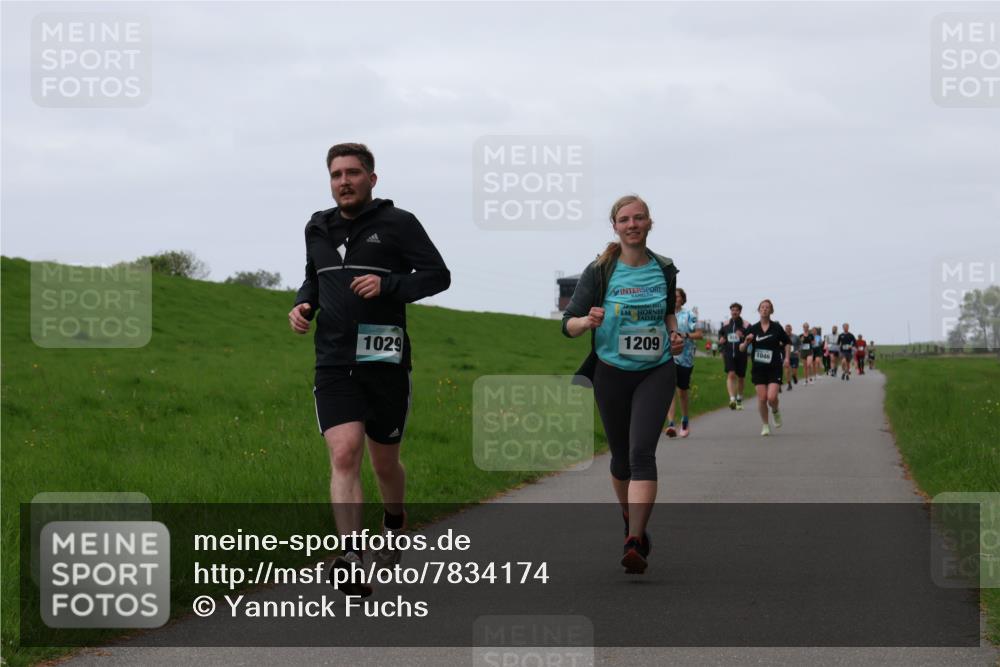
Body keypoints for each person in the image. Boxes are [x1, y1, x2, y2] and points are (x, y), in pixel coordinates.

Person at [289, 143, 450, 597]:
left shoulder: (398, 224)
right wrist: (304, 303)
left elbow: (438, 275)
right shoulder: (316, 227)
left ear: (371, 179)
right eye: (337, 174)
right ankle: (352, 555)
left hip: (384, 360)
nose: (345, 181)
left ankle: (395, 519)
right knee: (344, 452)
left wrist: (388, 284)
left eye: (354, 173)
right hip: (334, 359)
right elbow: (313, 275)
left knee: (385, 462)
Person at [562, 194, 683, 575]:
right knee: (620, 459)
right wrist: (587, 321)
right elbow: (568, 324)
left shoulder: (664, 269)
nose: (632, 224)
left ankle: (634, 540)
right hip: (611, 371)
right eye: (625, 219)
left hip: (656, 369)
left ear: (650, 224)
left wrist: (675, 336)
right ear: (615, 227)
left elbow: (667, 316)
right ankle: (632, 522)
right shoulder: (599, 271)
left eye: (639, 218)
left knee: (641, 453)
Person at [740, 299, 791, 437]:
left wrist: (786, 358)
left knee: (771, 397)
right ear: (759, 310)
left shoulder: (776, 328)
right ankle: (765, 425)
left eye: (767, 307)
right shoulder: (753, 328)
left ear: (771, 311)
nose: (764, 309)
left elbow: (787, 343)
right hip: (758, 368)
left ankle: (775, 410)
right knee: (762, 398)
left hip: (774, 367)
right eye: (762, 307)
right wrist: (746, 342)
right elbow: (742, 348)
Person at [665, 288, 703, 438]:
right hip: (667, 357)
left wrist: (685, 335)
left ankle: (685, 420)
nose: (675, 299)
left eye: (678, 296)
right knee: (669, 390)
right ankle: (671, 424)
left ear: (683, 299)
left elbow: (699, 334)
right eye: (672, 296)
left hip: (685, 359)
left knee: (682, 392)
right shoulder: (665, 315)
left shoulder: (690, 315)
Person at [718, 303, 751, 410]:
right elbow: (721, 336)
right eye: (732, 310)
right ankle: (732, 399)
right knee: (731, 374)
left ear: (740, 311)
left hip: (741, 354)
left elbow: (751, 338)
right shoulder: (725, 324)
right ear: (730, 311)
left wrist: (743, 336)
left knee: (741, 377)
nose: (734, 312)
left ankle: (739, 399)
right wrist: (721, 342)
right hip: (728, 353)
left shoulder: (746, 325)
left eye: (736, 310)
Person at [784, 323, 800, 391]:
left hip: (794, 356)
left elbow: (800, 345)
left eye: (789, 329)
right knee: (787, 371)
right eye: (786, 329)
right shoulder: (783, 337)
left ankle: (794, 377)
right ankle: (789, 384)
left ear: (791, 329)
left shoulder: (796, 337)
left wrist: (798, 350)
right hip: (786, 357)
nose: (787, 330)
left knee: (794, 371)